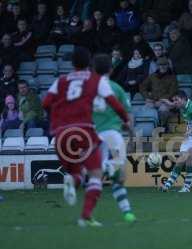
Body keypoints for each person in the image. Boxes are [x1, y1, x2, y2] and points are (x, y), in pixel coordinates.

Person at [42, 47, 130, 227]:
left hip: (61, 134)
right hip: (84, 132)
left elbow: (45, 103)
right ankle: (86, 217)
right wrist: (125, 119)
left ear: (72, 63)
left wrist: (59, 115)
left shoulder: (60, 80)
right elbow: (115, 104)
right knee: (96, 174)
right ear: (88, 63)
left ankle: (71, 181)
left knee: (77, 173)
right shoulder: (95, 80)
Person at [92, 53, 136, 223]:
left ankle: (126, 212)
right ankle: (105, 168)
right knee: (119, 174)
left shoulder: (87, 89)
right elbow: (127, 114)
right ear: (111, 69)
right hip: (111, 134)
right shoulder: (115, 88)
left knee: (98, 176)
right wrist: (131, 133)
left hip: (93, 135)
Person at [140, 57, 178, 130]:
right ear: (158, 66)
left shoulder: (173, 77)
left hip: (167, 101)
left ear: (167, 65)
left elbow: (172, 92)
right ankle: (148, 129)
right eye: (160, 65)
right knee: (145, 109)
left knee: (163, 109)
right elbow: (143, 87)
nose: (162, 67)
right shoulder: (152, 76)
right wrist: (147, 97)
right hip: (153, 100)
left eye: (164, 65)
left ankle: (162, 126)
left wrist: (161, 100)